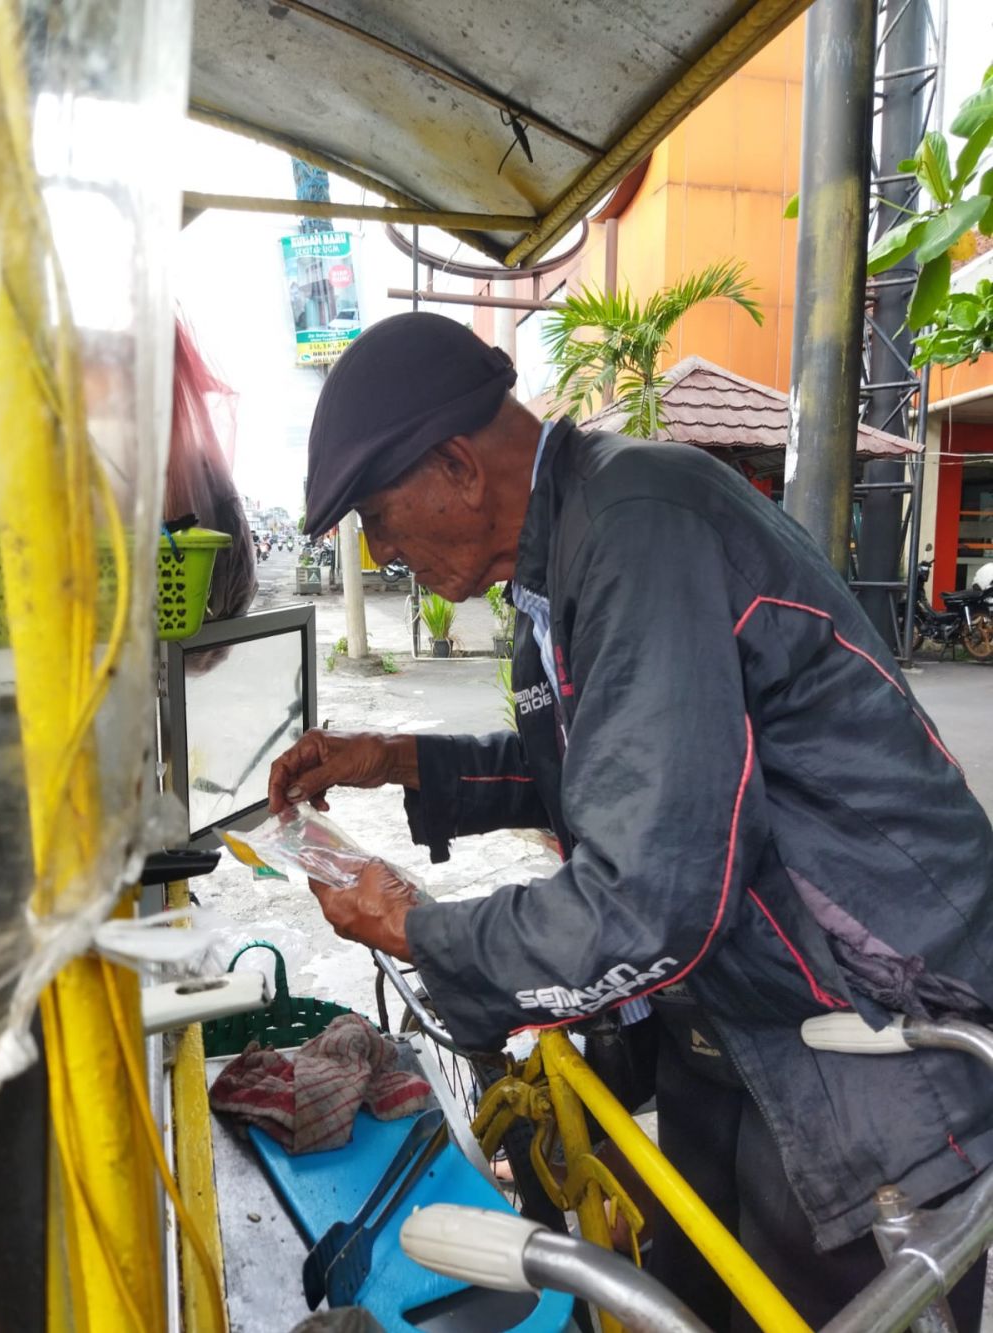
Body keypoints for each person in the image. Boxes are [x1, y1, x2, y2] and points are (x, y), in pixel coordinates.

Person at [268, 312, 993, 1331]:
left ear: (456, 466)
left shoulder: (642, 524)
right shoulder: (562, 559)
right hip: (743, 1009)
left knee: (811, 1303)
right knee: (692, 1287)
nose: (384, 552)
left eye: (380, 518)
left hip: (864, 1019)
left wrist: (419, 930)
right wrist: (392, 760)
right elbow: (599, 766)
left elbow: (649, 898)